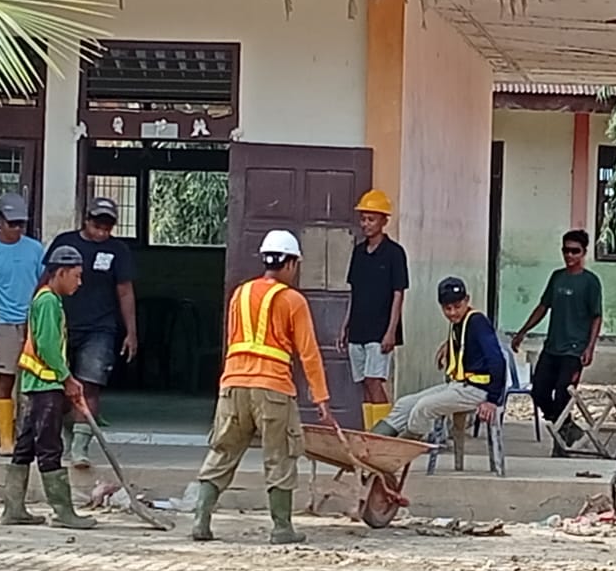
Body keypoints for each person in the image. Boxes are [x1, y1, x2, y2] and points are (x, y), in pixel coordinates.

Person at [189, 229, 336, 546]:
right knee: (280, 457)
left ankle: (201, 521)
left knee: (222, 452)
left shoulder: (239, 294)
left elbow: (232, 341)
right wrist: (321, 397)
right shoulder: (292, 300)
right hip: (273, 390)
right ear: (292, 263)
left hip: (233, 385)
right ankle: (282, 528)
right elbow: (308, 353)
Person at [1, 245, 95, 530]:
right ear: (61, 273)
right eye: (76, 276)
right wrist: (67, 378)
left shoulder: (49, 300)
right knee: (50, 446)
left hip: (40, 384)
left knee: (26, 446)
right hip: (46, 385)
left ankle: (13, 508)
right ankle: (63, 512)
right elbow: (48, 347)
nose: (79, 282)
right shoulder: (48, 302)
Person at [44, 196, 137, 470]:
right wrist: (35, 321)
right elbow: (45, 281)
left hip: (100, 328)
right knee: (59, 386)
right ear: (86, 220)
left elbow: (125, 291)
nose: (102, 231)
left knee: (91, 385)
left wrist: (131, 331)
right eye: (98, 224)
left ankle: (80, 448)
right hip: (62, 325)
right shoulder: (65, 242)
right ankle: (67, 437)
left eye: (108, 226)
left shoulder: (118, 251)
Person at [371, 277, 506, 440]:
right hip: (458, 386)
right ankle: (374, 440)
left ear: (467, 300)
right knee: (404, 404)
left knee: (424, 407)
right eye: (447, 308)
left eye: (457, 306)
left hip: (478, 390)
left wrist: (492, 400)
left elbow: (497, 361)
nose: (453, 312)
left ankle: (404, 447)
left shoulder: (478, 322)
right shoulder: (459, 323)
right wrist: (448, 345)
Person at [511, 229, 603, 452]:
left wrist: (590, 347)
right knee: (539, 391)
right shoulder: (557, 277)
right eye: (566, 250)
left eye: (575, 251)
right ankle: (567, 427)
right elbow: (543, 307)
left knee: (563, 394)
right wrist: (523, 331)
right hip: (552, 347)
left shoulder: (590, 282)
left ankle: (559, 444)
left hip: (574, 350)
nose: (569, 256)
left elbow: (596, 317)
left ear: (583, 253)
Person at [0, 192, 44, 456]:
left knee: (35, 381)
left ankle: (30, 435)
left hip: (33, 323)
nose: (16, 229)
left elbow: (43, 285)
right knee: (6, 379)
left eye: (21, 224)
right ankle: (6, 437)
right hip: (5, 324)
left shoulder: (35, 249)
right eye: (12, 223)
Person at [338, 189, 408, 431]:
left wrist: (391, 331)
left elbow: (398, 293)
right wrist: (345, 325)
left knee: (375, 381)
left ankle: (386, 433)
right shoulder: (358, 252)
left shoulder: (395, 253)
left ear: (384, 221)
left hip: (380, 331)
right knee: (364, 384)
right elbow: (353, 292)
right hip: (358, 328)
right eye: (364, 218)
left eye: (371, 219)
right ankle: (371, 432)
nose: (366, 224)